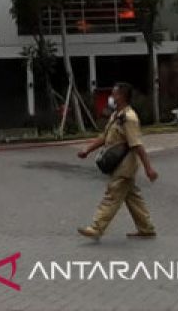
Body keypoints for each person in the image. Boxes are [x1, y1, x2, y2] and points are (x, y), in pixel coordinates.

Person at [76, 82, 158, 240]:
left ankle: (96, 227)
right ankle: (146, 228)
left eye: (114, 94)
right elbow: (104, 137)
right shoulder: (117, 115)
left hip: (125, 166)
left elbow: (137, 145)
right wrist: (87, 149)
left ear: (122, 96)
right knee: (133, 197)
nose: (111, 97)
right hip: (119, 165)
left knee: (112, 195)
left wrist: (149, 169)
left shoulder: (129, 118)